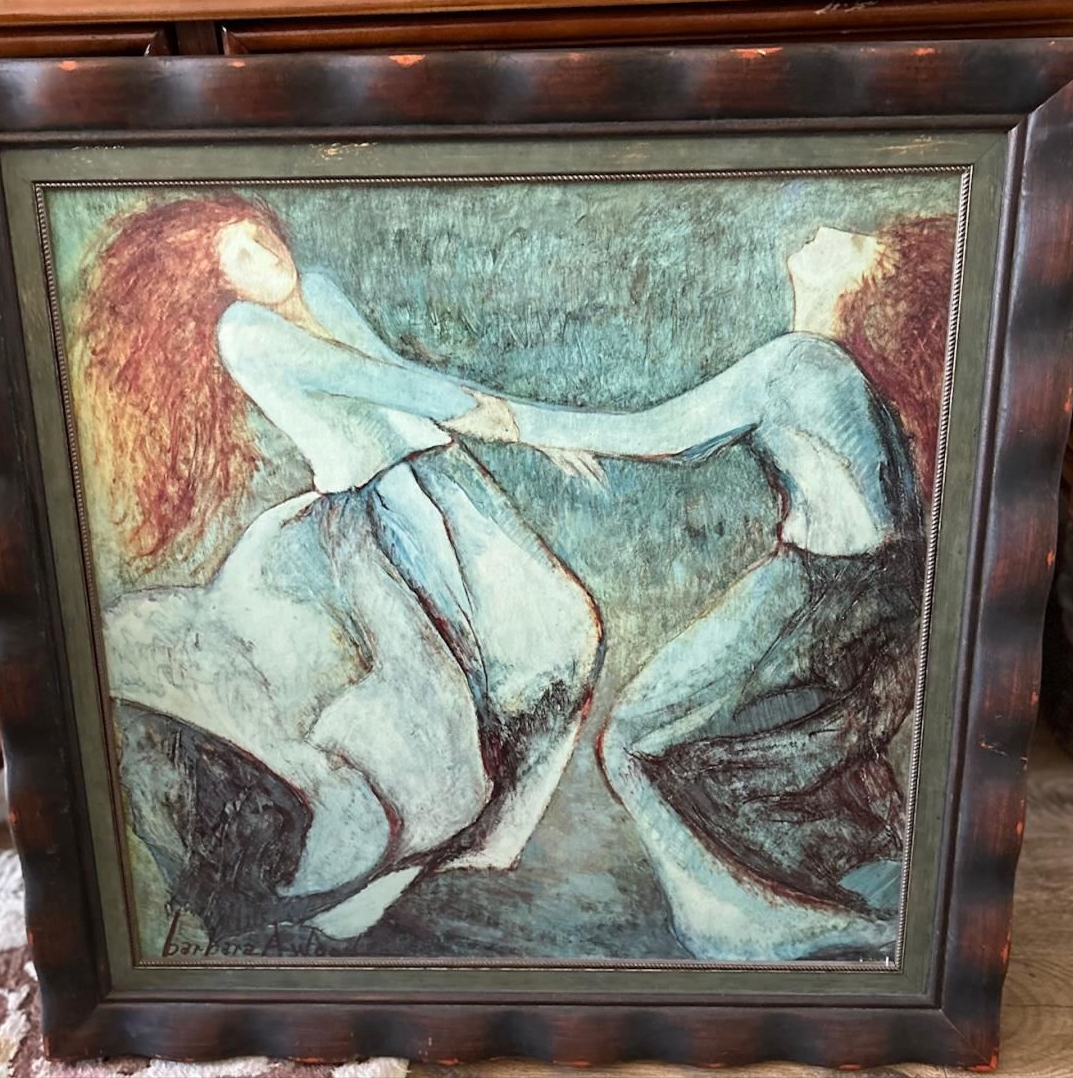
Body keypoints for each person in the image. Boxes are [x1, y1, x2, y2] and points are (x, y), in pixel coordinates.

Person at [74, 195, 605, 945]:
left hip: (441, 486)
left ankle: (481, 845)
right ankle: (343, 889)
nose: (266, 256)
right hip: (375, 514)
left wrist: (521, 426)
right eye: (239, 256)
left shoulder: (319, 292)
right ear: (213, 280)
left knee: (565, 637)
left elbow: (399, 372)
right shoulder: (244, 331)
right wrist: (523, 424)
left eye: (259, 236)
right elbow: (389, 387)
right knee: (436, 726)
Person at [486, 218, 956, 961]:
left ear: (859, 287)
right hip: (877, 602)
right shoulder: (847, 379)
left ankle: (757, 930)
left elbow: (659, 434)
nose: (826, 228)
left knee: (635, 741)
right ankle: (853, 903)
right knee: (785, 756)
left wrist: (513, 422)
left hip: (820, 596)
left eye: (848, 242)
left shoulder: (799, 363)